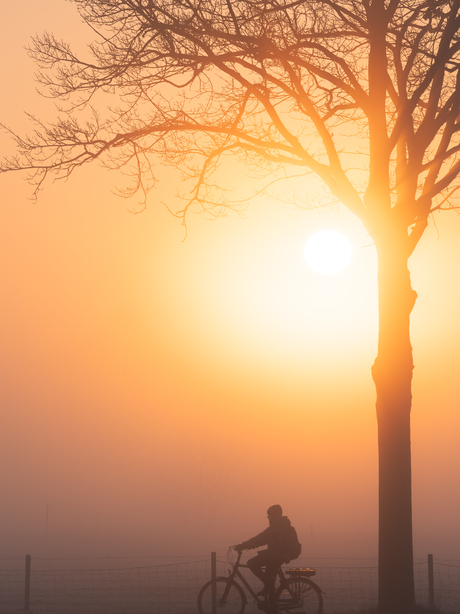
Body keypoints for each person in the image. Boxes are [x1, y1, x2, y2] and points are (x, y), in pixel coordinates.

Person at [234, 504, 301, 597]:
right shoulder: (283, 525)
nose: (267, 517)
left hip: (277, 555)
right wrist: (246, 546)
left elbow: (260, 538)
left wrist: (243, 546)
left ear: (274, 515)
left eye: (269, 514)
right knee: (269, 578)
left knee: (252, 563)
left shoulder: (276, 526)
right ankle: (272, 605)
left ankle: (269, 586)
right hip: (281, 555)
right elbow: (263, 540)